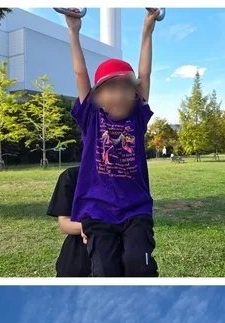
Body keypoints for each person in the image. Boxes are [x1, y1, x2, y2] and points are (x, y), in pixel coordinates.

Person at [63, 8, 161, 277]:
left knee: (137, 265)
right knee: (105, 272)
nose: (118, 95)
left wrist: (147, 30)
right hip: (97, 210)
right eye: (110, 88)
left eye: (125, 88)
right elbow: (80, 73)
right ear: (98, 96)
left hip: (135, 209)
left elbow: (145, 73)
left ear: (134, 93)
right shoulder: (91, 118)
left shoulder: (137, 118)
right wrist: (73, 30)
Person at [46, 165, 91, 277]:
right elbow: (64, 224)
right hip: (80, 258)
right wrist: (88, 227)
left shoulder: (133, 177)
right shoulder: (73, 176)